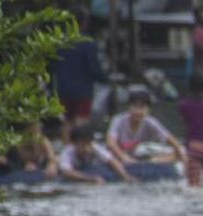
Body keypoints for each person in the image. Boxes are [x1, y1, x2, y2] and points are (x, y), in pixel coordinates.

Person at [51, 8, 108, 141]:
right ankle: (80, 147)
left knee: (67, 121)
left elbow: (53, 67)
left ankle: (67, 148)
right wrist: (106, 79)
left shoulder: (60, 43)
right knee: (81, 120)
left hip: (63, 89)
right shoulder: (88, 43)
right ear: (84, 23)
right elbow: (94, 69)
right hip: (83, 90)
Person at [105, 90, 185, 165]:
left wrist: (184, 158)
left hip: (139, 157)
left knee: (180, 152)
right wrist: (124, 157)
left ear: (148, 109)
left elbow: (171, 139)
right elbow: (111, 143)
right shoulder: (118, 120)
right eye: (135, 107)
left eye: (142, 107)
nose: (138, 111)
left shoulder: (150, 122)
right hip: (119, 157)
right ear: (129, 107)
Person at [58, 125, 133, 184]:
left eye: (88, 144)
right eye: (82, 144)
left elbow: (112, 161)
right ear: (74, 143)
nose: (86, 148)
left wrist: (125, 176)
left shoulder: (95, 147)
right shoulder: (67, 152)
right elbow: (67, 172)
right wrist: (91, 179)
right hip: (79, 175)